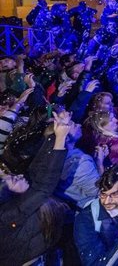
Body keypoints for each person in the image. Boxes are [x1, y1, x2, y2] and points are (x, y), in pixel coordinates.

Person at [0, 111, 71, 265]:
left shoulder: (16, 202)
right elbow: (43, 186)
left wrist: (54, 136)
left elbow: (36, 173)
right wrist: (60, 139)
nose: (17, 176)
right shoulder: (8, 215)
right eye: (12, 179)